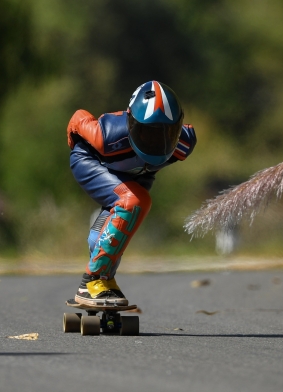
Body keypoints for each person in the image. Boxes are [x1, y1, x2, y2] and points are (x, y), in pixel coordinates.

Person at [67, 80, 197, 306]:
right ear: (130, 123)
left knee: (106, 234)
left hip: (136, 175)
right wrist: (73, 136)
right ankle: (91, 281)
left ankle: (104, 280)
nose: (159, 142)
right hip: (91, 162)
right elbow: (79, 116)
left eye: (168, 133)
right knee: (134, 202)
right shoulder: (107, 136)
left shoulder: (184, 144)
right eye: (147, 133)